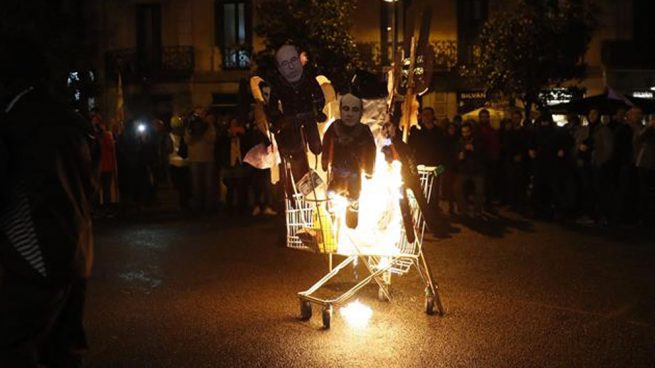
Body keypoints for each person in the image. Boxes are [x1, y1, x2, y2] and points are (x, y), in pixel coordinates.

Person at [0, 35, 97, 367]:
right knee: (65, 351)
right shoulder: (71, 120)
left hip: (32, 257)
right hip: (77, 251)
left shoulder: (14, 121)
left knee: (15, 347)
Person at [266, 45, 326, 195]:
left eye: (293, 60)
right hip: (290, 121)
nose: (291, 66)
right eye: (285, 64)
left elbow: (319, 96)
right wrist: (278, 119)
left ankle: (311, 188)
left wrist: (318, 110)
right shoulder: (279, 84)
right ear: (280, 68)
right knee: (296, 153)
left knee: (316, 147)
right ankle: (302, 191)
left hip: (308, 117)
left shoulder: (308, 79)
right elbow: (272, 105)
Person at [322, 93, 376, 228]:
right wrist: (324, 161)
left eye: (355, 109)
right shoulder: (334, 127)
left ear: (360, 112)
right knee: (331, 193)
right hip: (336, 170)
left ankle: (351, 216)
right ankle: (331, 218)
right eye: (346, 109)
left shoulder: (364, 130)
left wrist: (369, 169)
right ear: (340, 110)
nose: (350, 114)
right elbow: (326, 143)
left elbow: (371, 150)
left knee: (354, 196)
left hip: (355, 171)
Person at [185, 107, 217, 212]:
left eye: (201, 113)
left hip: (207, 158)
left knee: (208, 184)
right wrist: (193, 130)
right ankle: (197, 206)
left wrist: (204, 127)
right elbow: (187, 140)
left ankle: (209, 207)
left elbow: (211, 139)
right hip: (194, 159)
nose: (199, 115)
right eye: (197, 113)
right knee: (196, 184)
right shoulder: (190, 124)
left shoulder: (209, 125)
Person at [455, 121, 485, 218]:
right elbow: (457, 155)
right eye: (463, 132)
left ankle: (477, 211)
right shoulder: (460, 141)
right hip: (464, 170)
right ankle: (464, 210)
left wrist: (474, 149)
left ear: (471, 131)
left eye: (467, 132)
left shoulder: (478, 140)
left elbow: (483, 154)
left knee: (479, 191)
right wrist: (460, 157)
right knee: (457, 188)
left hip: (477, 170)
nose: (465, 134)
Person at [635, 115, 655, 225]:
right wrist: (648, 127)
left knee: (646, 191)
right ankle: (644, 217)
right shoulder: (647, 131)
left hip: (648, 164)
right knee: (644, 191)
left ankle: (647, 216)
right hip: (645, 164)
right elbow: (638, 138)